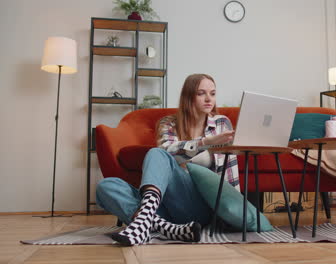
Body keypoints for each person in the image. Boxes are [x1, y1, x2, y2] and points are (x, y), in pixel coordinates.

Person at [96, 73, 239, 246]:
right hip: (161, 206)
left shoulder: (221, 124)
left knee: (156, 154)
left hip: (197, 207)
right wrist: (204, 143)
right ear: (188, 96)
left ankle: (145, 222)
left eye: (213, 93)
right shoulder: (168, 123)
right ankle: (169, 229)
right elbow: (167, 152)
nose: (209, 99)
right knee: (106, 186)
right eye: (201, 93)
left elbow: (229, 172)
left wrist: (233, 214)